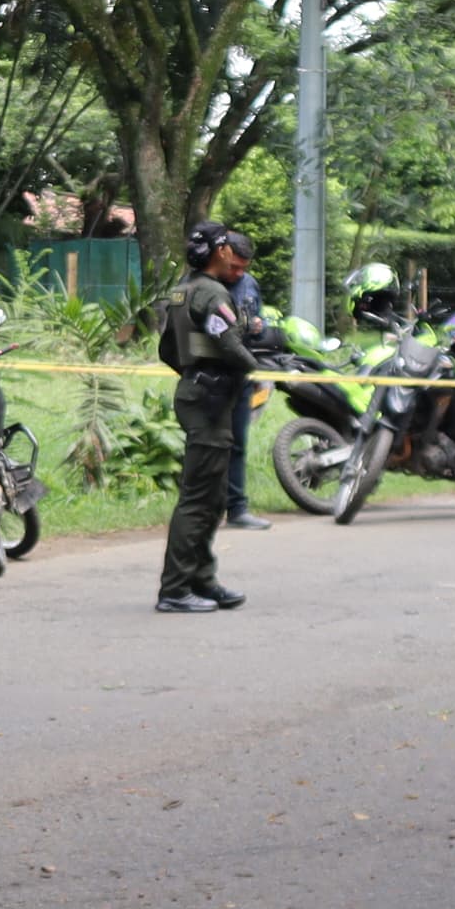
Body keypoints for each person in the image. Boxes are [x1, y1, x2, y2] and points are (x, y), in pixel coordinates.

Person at [155, 222, 257, 616]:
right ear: (221, 251)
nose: (232, 255)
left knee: (213, 498)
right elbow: (229, 343)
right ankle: (175, 589)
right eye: (228, 248)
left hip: (198, 394)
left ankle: (202, 579)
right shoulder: (212, 293)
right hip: (210, 401)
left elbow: (167, 349)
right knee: (199, 499)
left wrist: (191, 373)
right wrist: (257, 367)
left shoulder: (183, 289)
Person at [222, 260, 272, 531]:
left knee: (238, 443)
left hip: (241, 375)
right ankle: (203, 508)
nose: (238, 273)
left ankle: (237, 509)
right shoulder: (206, 285)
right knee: (208, 444)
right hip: (211, 378)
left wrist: (259, 326)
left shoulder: (249, 283)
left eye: (243, 268)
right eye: (234, 267)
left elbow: (260, 326)